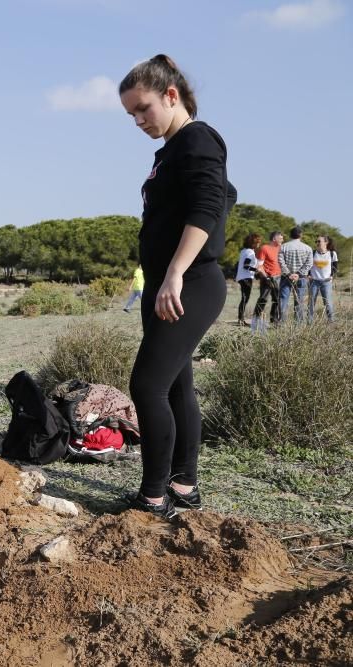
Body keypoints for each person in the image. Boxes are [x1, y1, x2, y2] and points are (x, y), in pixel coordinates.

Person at [118, 55, 237, 518]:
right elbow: (224, 194)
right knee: (175, 385)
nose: (138, 120)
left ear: (171, 96)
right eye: (131, 114)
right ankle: (184, 486)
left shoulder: (197, 138)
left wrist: (174, 272)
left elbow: (209, 204)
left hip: (188, 283)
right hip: (167, 285)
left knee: (146, 385)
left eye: (143, 108)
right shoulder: (170, 150)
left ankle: (152, 498)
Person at [278, 226, 313, 323]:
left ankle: (282, 323)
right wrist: (298, 274)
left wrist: (289, 273)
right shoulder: (308, 248)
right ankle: (298, 323)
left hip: (286, 277)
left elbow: (281, 261)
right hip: (301, 278)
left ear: (290, 235)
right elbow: (309, 264)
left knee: (283, 300)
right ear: (301, 235)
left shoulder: (283, 247)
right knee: (299, 301)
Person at [252, 231, 283, 325]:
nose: (283, 240)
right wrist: (266, 277)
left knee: (277, 299)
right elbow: (259, 266)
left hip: (278, 277)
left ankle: (274, 320)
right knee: (263, 298)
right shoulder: (265, 248)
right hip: (267, 277)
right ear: (274, 239)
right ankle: (256, 320)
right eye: (280, 238)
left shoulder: (281, 248)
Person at [235, 233, 262, 326]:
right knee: (245, 299)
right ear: (253, 243)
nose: (259, 244)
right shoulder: (250, 252)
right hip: (246, 277)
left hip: (241, 277)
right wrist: (256, 270)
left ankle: (240, 319)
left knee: (244, 298)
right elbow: (246, 266)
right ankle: (241, 320)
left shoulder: (244, 251)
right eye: (258, 242)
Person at [308, 235, 336, 322]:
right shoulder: (312, 253)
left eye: (319, 241)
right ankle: (309, 322)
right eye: (317, 241)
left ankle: (331, 322)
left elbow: (335, 267)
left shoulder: (332, 253)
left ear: (326, 242)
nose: (317, 243)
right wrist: (308, 274)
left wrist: (331, 276)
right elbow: (308, 266)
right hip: (314, 282)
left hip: (326, 282)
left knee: (328, 303)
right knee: (311, 303)